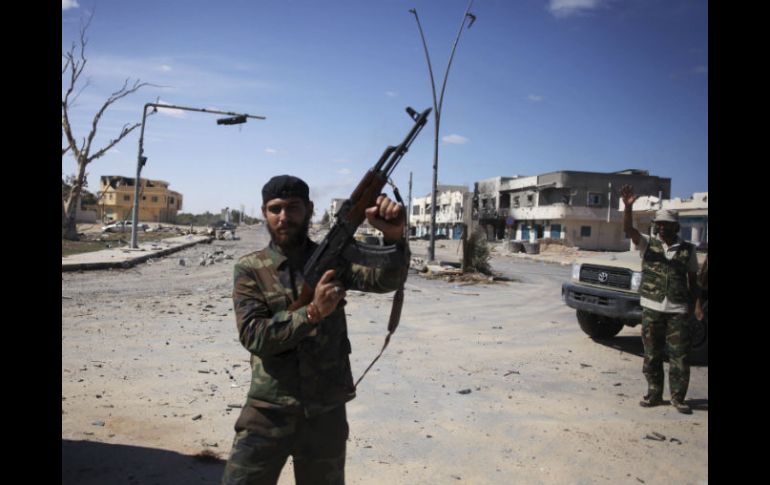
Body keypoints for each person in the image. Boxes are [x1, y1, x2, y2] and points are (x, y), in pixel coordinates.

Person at [221, 175, 409, 485]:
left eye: (293, 207)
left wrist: (393, 237)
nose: (284, 217)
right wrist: (312, 313)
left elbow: (385, 280)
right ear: (264, 212)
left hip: (325, 411)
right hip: (268, 408)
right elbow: (254, 335)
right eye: (275, 208)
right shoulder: (250, 269)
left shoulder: (335, 258)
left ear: (309, 209)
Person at [620, 184, 701, 415]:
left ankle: (678, 398)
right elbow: (629, 230)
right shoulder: (648, 244)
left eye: (666, 224)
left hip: (678, 310)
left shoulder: (688, 250)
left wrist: (697, 307)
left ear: (676, 227)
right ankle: (654, 393)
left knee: (680, 357)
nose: (662, 227)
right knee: (652, 354)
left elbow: (693, 281)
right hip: (652, 308)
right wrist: (628, 207)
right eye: (659, 223)